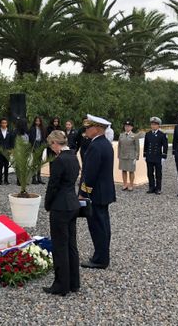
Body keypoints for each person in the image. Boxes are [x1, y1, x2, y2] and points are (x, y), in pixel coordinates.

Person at [43, 130, 80, 295]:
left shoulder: (59, 161)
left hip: (60, 206)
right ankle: (74, 282)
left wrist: (47, 203)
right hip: (72, 203)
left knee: (60, 246)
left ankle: (61, 285)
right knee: (71, 245)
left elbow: (53, 186)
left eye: (51, 145)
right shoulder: (73, 157)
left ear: (55, 143)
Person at [78, 114, 116, 269]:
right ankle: (102, 255)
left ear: (98, 129)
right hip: (104, 192)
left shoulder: (95, 146)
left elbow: (90, 174)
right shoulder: (105, 144)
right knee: (104, 225)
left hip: (96, 193)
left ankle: (100, 259)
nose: (86, 130)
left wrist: (83, 193)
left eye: (89, 127)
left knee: (97, 226)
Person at [143, 117, 167, 194]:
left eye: (155, 124)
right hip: (149, 156)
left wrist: (164, 156)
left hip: (157, 157)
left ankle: (158, 188)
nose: (153, 126)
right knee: (150, 173)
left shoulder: (162, 135)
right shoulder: (148, 134)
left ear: (158, 125)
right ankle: (151, 187)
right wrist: (144, 154)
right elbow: (146, 145)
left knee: (158, 173)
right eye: (152, 124)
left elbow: (165, 146)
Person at [117, 120, 139, 191]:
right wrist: (119, 155)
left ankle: (131, 185)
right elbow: (119, 146)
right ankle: (125, 184)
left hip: (131, 156)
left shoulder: (134, 136)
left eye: (129, 126)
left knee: (131, 171)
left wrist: (136, 157)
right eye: (126, 126)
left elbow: (137, 147)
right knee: (123, 170)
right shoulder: (121, 135)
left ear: (132, 127)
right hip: (123, 155)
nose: (127, 128)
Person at [29, 116, 46, 184]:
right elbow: (30, 138)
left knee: (39, 161)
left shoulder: (42, 128)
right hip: (34, 144)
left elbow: (44, 137)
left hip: (40, 144)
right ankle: (34, 178)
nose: (37, 122)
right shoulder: (32, 128)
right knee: (34, 162)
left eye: (39, 121)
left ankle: (39, 178)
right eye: (36, 121)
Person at [0, 118, 13, 185]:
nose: (4, 124)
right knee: (0, 166)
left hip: (7, 152)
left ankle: (6, 180)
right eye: (2, 123)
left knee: (6, 166)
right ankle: (0, 180)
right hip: (0, 152)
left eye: (5, 123)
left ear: (7, 124)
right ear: (0, 123)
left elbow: (11, 142)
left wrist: (11, 150)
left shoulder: (9, 132)